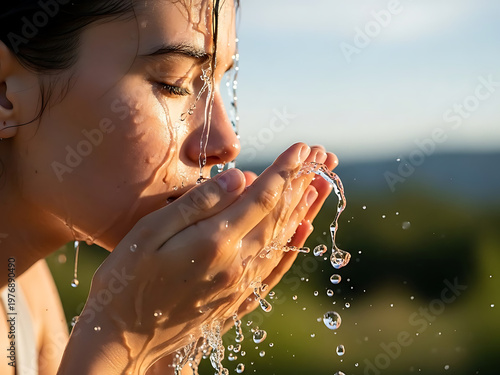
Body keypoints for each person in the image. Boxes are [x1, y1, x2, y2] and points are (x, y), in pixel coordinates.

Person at [0, 1, 338, 374]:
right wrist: (123, 338)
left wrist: (168, 353)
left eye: (219, 83)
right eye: (173, 84)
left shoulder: (23, 296)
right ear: (4, 91)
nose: (226, 143)